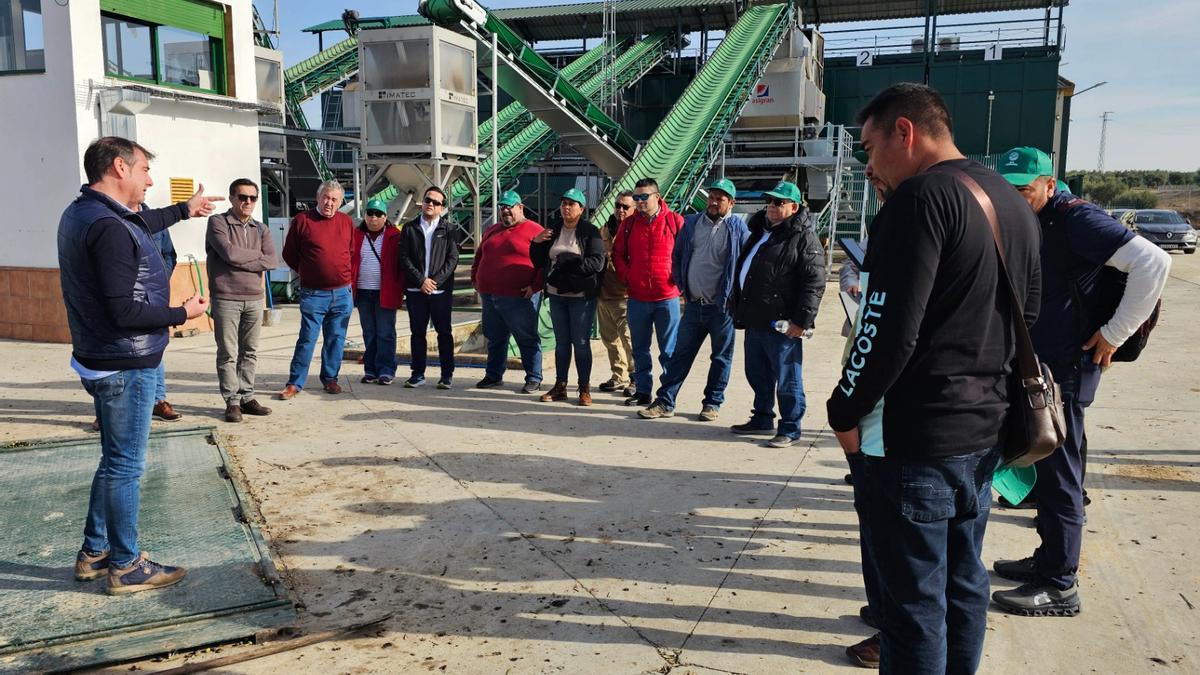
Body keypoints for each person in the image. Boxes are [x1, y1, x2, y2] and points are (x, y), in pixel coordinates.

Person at [825, 83, 1041, 673]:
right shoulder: (1011, 200)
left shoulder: (918, 200)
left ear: (905, 132)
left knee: (911, 605)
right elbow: (1032, 313)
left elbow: (887, 331)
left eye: (870, 148)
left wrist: (842, 408)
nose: (869, 165)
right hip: (984, 432)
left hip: (917, 439)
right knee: (962, 584)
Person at [990, 147, 1170, 617]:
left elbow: (1153, 263)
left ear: (1049, 184)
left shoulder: (1074, 218)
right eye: (1006, 188)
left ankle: (1060, 585)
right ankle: (1048, 559)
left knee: (1061, 473)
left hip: (1067, 367)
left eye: (1023, 189)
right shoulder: (1036, 219)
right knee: (1048, 471)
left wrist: (1113, 334)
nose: (1013, 197)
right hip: (1044, 364)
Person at [59, 136, 218, 593]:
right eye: (145, 170)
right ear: (119, 168)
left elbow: (140, 223)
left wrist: (184, 210)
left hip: (103, 356)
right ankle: (126, 565)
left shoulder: (84, 212)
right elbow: (123, 313)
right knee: (125, 466)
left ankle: (94, 551)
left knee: (113, 461)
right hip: (124, 362)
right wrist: (182, 314)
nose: (150, 180)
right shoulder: (107, 226)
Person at [638, 178, 748, 422]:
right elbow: (677, 257)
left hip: (722, 309)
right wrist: (682, 285)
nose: (713, 201)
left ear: (731, 202)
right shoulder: (691, 223)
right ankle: (665, 401)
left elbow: (745, 267)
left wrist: (734, 299)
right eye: (711, 196)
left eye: (720, 198)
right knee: (680, 355)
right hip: (693, 304)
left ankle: (712, 403)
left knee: (720, 357)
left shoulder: (739, 230)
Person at [728, 181, 825, 449]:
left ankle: (790, 427)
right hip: (755, 318)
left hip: (783, 324)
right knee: (756, 373)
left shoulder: (804, 238)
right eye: (770, 201)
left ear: (794, 207)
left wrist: (801, 321)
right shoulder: (761, 231)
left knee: (787, 377)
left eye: (779, 202)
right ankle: (762, 417)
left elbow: (814, 283)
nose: (772, 206)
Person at [206, 178, 277, 422]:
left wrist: (241, 259)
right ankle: (232, 401)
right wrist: (255, 257)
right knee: (228, 352)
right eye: (242, 197)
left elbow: (272, 261)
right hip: (226, 297)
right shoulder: (218, 222)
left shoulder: (261, 229)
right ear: (232, 198)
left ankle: (247, 397)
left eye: (252, 198)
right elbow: (228, 253)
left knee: (250, 352)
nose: (248, 202)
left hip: (255, 299)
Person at [278, 180, 355, 399]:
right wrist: (308, 272)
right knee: (307, 338)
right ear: (318, 197)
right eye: (326, 198)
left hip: (341, 293)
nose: (329, 203)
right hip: (313, 294)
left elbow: (350, 252)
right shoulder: (303, 220)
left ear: (340, 202)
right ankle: (294, 383)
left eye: (334, 199)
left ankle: (330, 379)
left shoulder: (346, 222)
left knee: (336, 338)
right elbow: (289, 254)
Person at [530, 188, 605, 405]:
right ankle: (560, 386)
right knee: (562, 343)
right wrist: (535, 242)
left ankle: (584, 388)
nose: (566, 207)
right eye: (563, 203)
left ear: (581, 209)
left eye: (571, 204)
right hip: (556, 294)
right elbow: (538, 261)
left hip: (581, 296)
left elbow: (597, 263)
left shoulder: (589, 231)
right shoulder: (553, 229)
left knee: (581, 343)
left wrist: (569, 261)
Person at [612, 178, 684, 406]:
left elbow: (686, 254)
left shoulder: (675, 221)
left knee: (669, 351)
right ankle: (643, 391)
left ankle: (667, 396)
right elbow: (618, 255)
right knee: (640, 349)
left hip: (667, 297)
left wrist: (679, 282)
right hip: (638, 298)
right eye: (637, 197)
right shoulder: (629, 224)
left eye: (644, 197)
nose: (640, 202)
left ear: (657, 197)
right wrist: (628, 277)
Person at [471, 190, 544, 393]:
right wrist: (475, 277)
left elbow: (545, 263)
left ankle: (534, 377)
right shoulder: (493, 229)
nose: (505, 211)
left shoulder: (535, 230)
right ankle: (494, 375)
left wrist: (535, 286)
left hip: (519, 297)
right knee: (495, 338)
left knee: (526, 337)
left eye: (509, 207)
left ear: (520, 208)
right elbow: (480, 254)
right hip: (490, 294)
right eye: (502, 207)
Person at [399, 186, 459, 389]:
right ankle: (417, 374)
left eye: (435, 202)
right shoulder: (409, 228)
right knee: (417, 333)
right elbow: (404, 258)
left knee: (444, 333)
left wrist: (435, 281)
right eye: (427, 200)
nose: (430, 204)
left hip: (440, 292)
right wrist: (420, 281)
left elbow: (452, 259)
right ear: (422, 202)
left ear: (442, 208)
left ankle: (446, 375)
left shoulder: (449, 230)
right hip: (417, 291)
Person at [351, 198, 405, 386]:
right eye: (370, 213)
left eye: (378, 214)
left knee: (385, 332)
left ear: (385, 217)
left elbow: (402, 264)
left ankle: (386, 370)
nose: (374, 218)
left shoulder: (394, 236)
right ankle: (370, 370)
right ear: (365, 215)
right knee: (369, 332)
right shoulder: (356, 235)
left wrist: (401, 288)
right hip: (363, 291)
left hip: (385, 291)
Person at [596, 191, 636, 397]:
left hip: (626, 296)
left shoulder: (637, 230)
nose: (621, 210)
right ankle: (618, 375)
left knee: (629, 340)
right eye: (618, 205)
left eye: (625, 207)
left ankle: (635, 376)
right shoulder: (605, 230)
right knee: (609, 339)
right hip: (604, 293)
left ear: (634, 208)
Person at [150, 225, 183, 422]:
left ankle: (158, 401)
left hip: (154, 296)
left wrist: (159, 280)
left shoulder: (155, 222)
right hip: (120, 297)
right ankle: (108, 411)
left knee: (156, 348)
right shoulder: (111, 217)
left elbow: (169, 254)